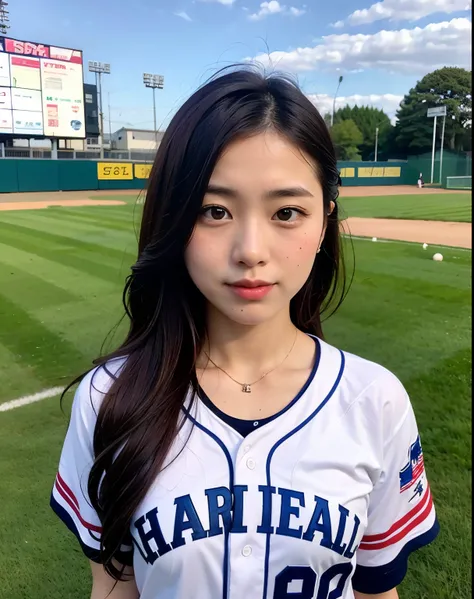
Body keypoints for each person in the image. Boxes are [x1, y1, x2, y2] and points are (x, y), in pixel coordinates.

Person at [51, 68, 439, 599]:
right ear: (173, 217)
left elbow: (377, 591)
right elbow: (114, 588)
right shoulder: (108, 397)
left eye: (286, 211)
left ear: (324, 220)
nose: (250, 250)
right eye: (214, 210)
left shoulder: (375, 400)